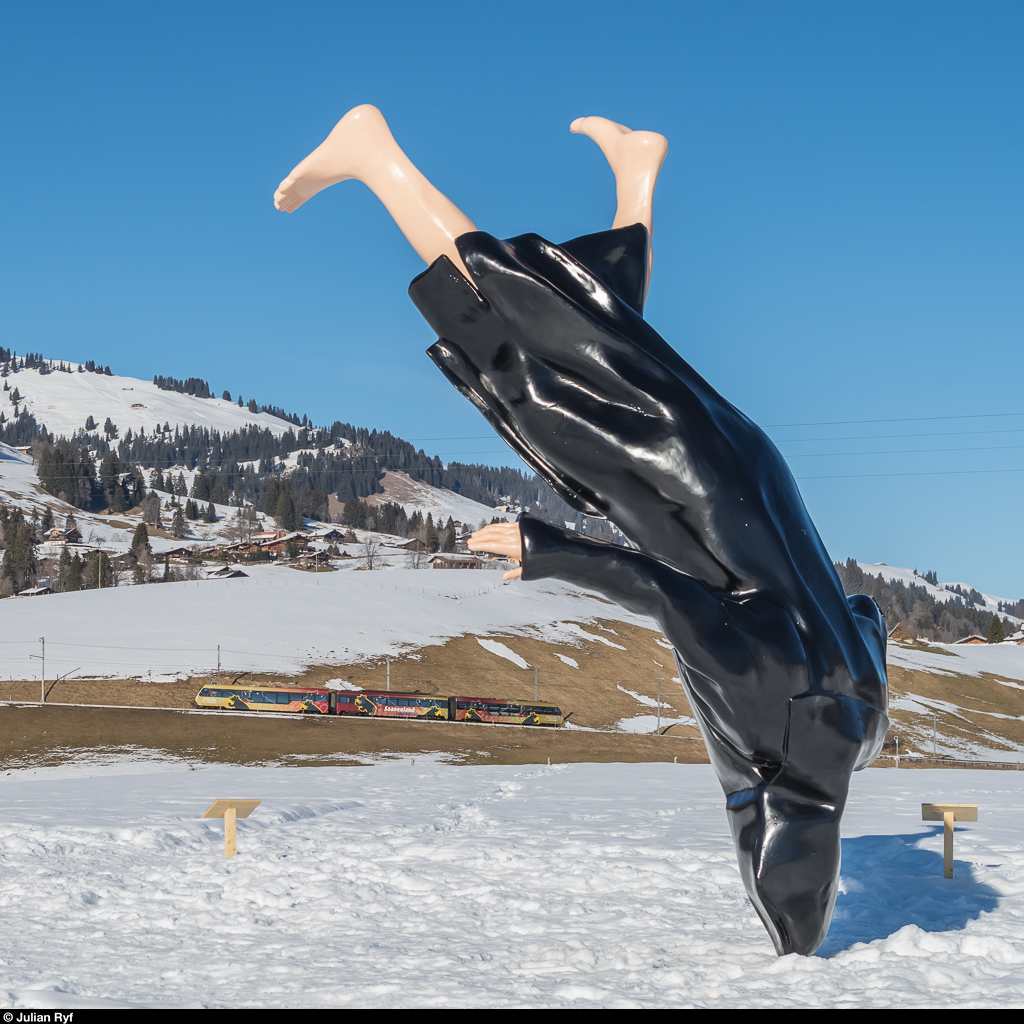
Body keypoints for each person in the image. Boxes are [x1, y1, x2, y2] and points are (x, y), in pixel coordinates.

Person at [274, 106, 889, 956]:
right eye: (748, 820)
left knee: (595, 332)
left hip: (735, 467)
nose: (736, 810)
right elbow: (666, 596)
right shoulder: (769, 709)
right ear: (774, 798)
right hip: (660, 472)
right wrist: (547, 552)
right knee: (517, 337)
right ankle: (377, 156)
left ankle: (637, 174)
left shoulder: (857, 712)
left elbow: (865, 613)